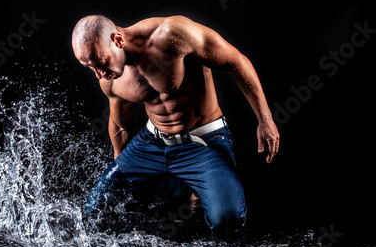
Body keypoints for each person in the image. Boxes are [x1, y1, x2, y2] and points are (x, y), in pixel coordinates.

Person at [71, 15, 279, 232]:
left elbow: (235, 61)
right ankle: (184, 185)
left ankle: (199, 182)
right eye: (89, 67)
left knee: (227, 221)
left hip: (201, 142)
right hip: (151, 144)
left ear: (118, 40)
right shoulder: (109, 80)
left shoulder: (171, 35)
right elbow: (121, 125)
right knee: (95, 209)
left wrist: (265, 120)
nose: (99, 74)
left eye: (101, 63)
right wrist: (122, 172)